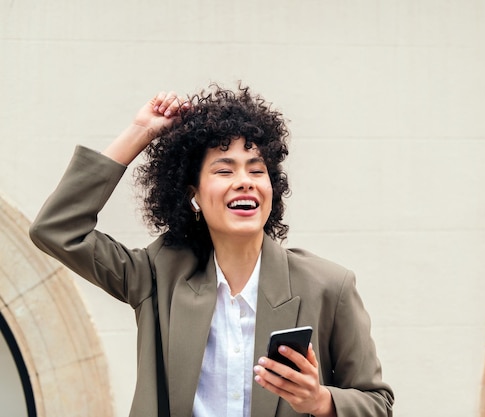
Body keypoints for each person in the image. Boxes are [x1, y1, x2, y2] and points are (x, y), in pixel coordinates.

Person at [29, 84, 394, 417]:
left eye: (256, 170)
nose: (244, 182)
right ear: (194, 196)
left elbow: (377, 404)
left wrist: (320, 401)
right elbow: (58, 229)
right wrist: (140, 133)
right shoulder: (157, 275)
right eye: (224, 171)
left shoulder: (329, 286)